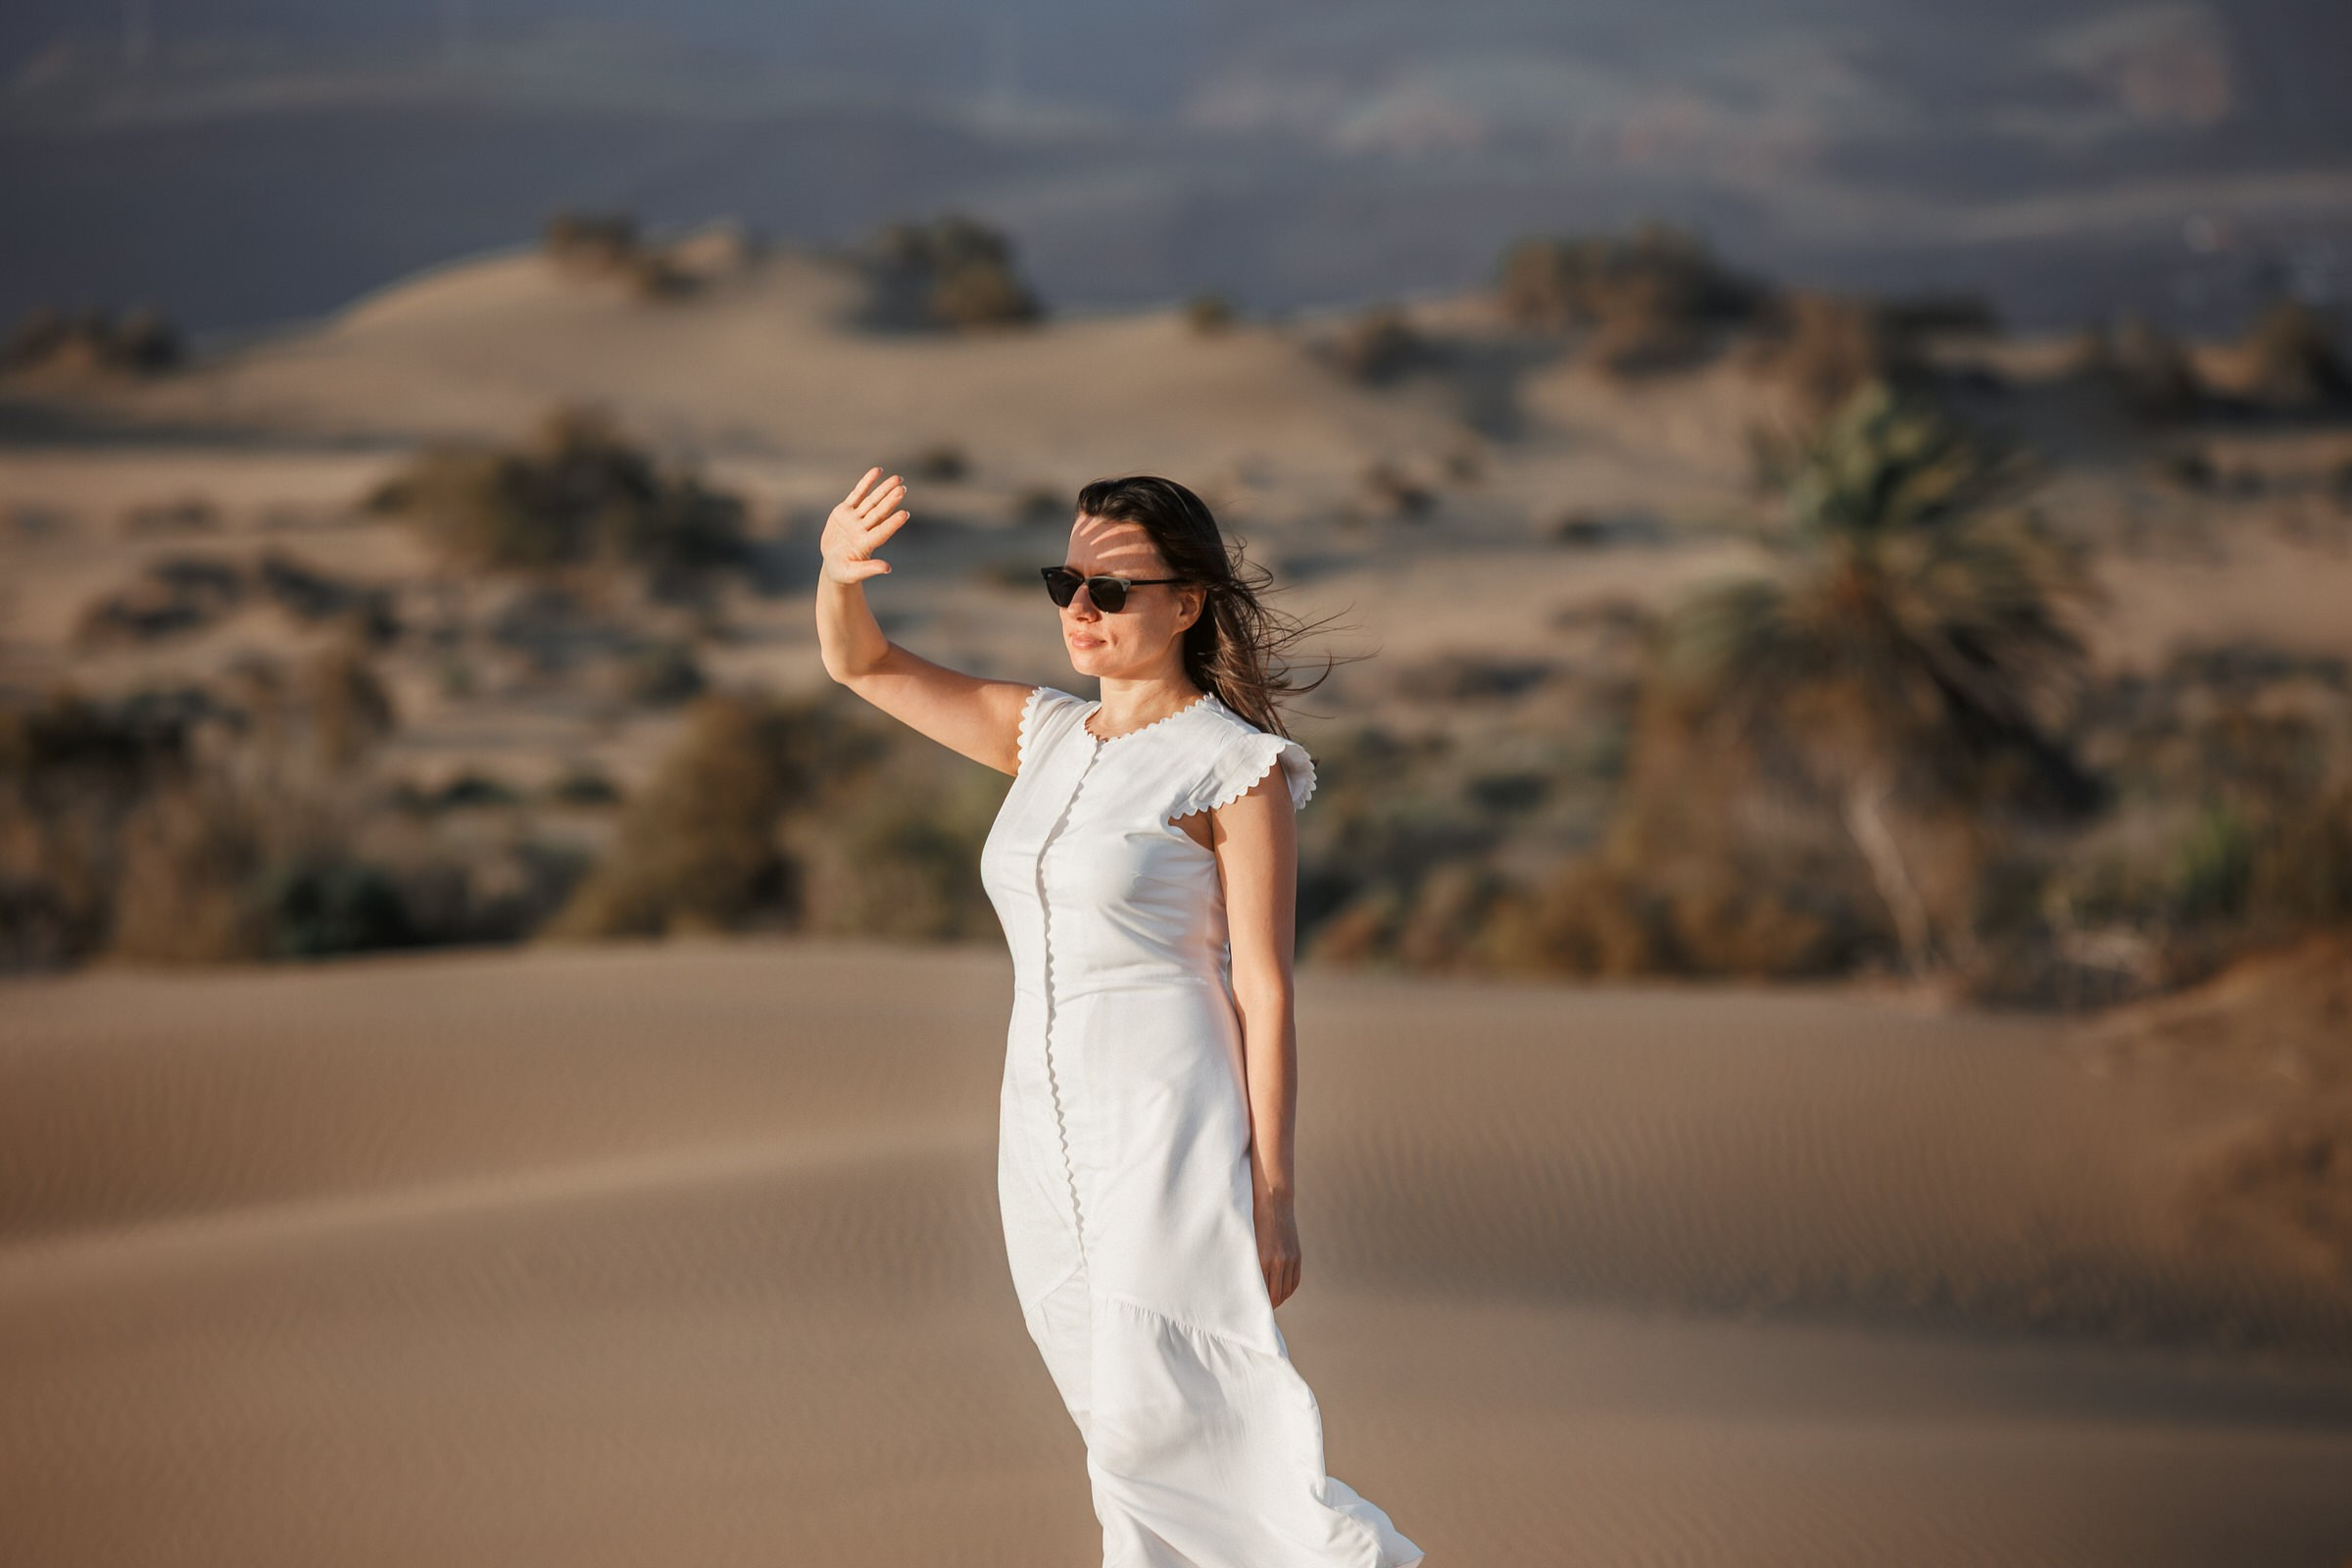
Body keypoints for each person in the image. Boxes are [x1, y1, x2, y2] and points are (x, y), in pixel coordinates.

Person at [814, 466, 1423, 1566]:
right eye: (1065, 582)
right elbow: (859, 661)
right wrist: (836, 574)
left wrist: (1274, 1191)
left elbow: (1266, 989)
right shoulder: (1036, 732)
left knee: (1164, 1410)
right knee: (1109, 1407)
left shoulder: (1238, 769)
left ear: (1187, 604)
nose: (1079, 611)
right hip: (1038, 1124)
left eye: (1111, 588)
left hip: (1166, 1118)